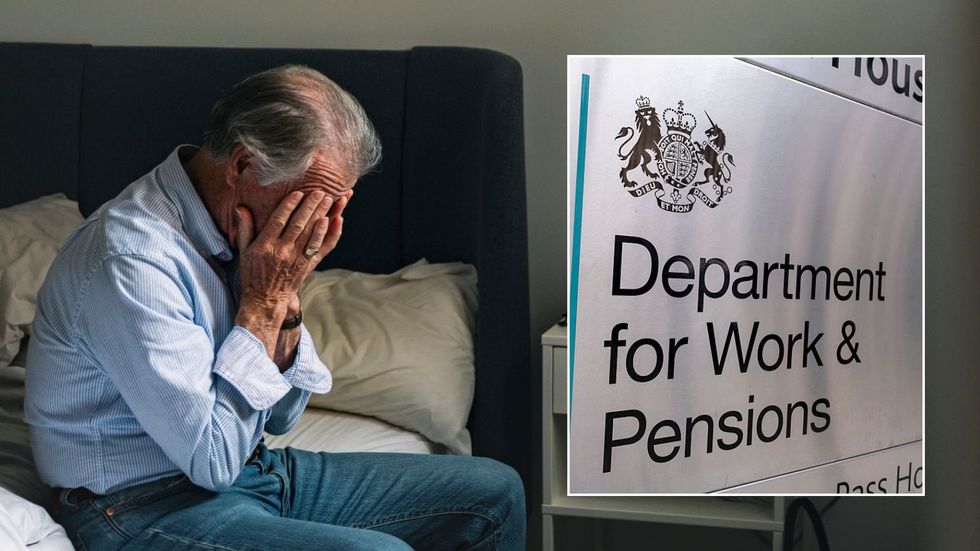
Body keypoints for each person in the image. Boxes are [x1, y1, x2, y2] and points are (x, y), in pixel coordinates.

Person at [24, 65, 525, 550]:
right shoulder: (131, 258)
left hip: (256, 471)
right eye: (309, 201)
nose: (320, 224)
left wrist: (283, 294)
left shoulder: (247, 244)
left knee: (494, 492)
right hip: (138, 509)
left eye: (336, 205)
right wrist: (263, 301)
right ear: (242, 165)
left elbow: (282, 415)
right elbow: (213, 459)